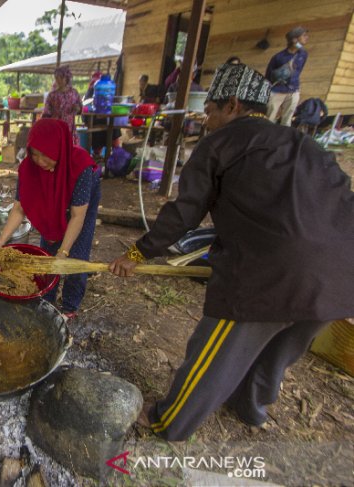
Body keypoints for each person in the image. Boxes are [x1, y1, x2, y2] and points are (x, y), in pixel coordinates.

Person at [108, 63, 354, 441]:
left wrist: (137, 254)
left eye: (209, 111)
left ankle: (168, 420)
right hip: (342, 274)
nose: (206, 120)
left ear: (233, 106)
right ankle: (251, 407)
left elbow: (184, 212)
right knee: (281, 345)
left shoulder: (220, 144)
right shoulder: (303, 143)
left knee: (215, 353)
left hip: (272, 273)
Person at [0, 119, 101, 319]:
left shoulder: (80, 168)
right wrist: (1, 239)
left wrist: (64, 252)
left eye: (46, 155)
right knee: (47, 255)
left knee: (76, 256)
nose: (40, 161)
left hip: (78, 210)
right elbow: (19, 208)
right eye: (35, 154)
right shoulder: (28, 168)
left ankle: (69, 308)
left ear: (60, 149)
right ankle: (46, 300)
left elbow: (77, 216)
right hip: (52, 205)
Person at [265, 26, 308, 126]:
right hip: (276, 90)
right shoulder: (278, 57)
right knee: (269, 117)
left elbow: (299, 70)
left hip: (293, 91)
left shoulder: (303, 54)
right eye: (304, 36)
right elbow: (268, 76)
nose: (307, 37)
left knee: (287, 119)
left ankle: (283, 138)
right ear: (294, 39)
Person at [42, 65, 83, 144]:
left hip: (70, 128)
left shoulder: (74, 93)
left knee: (69, 149)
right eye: (56, 78)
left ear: (67, 78)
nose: (58, 80)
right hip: (56, 128)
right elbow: (46, 113)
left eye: (61, 77)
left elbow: (80, 108)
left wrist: (77, 108)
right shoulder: (52, 95)